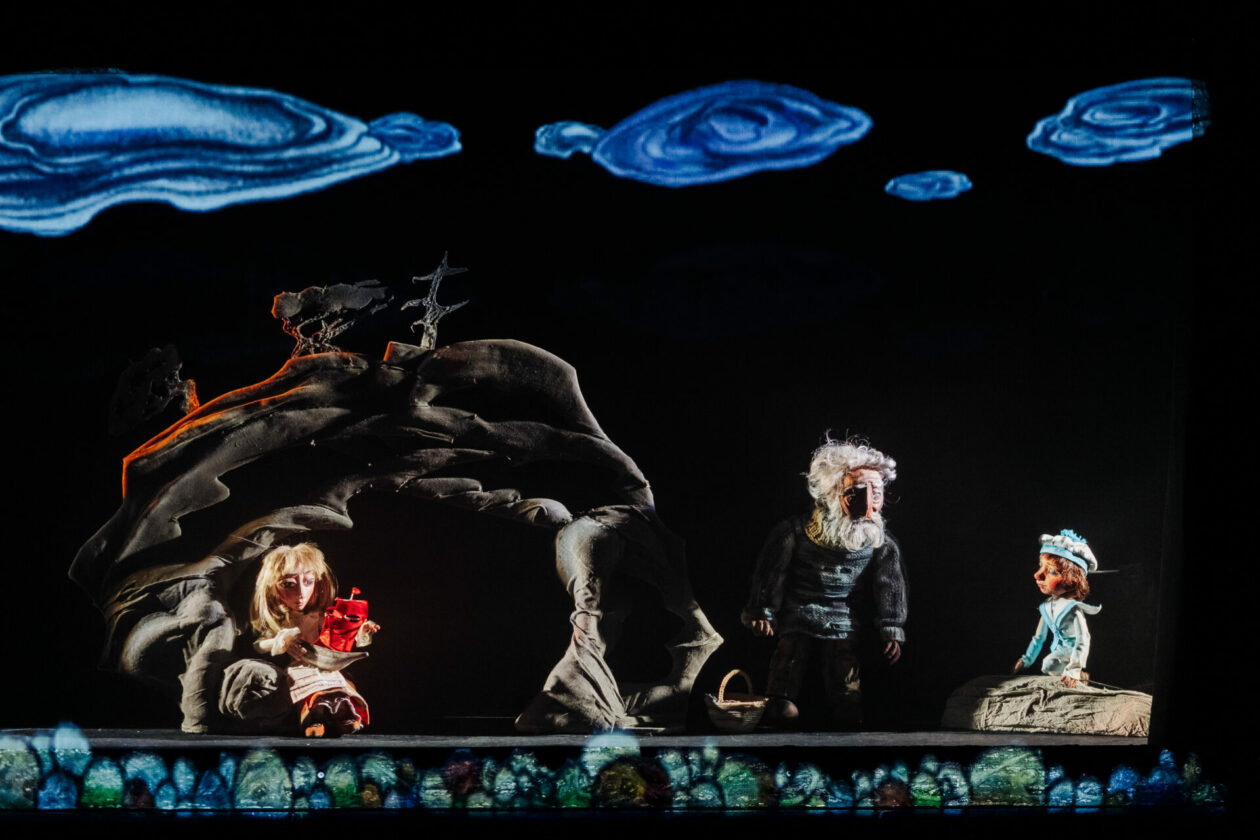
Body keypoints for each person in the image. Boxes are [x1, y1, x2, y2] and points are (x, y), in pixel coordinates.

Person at [741, 437, 907, 728]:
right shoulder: (795, 532)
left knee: (844, 670)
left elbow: (890, 584)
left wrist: (892, 626)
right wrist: (762, 610)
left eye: (876, 494)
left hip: (844, 619)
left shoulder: (881, 543)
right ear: (832, 493)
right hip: (798, 612)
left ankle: (847, 709)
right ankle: (780, 700)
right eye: (855, 493)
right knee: (789, 656)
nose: (868, 506)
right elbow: (772, 572)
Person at [250, 542, 380, 736]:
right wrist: (283, 642)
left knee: (337, 685)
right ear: (272, 587)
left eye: (308, 581)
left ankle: (344, 717)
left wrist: (360, 629)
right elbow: (259, 645)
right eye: (288, 584)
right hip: (298, 666)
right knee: (309, 688)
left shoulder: (320, 616)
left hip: (325, 663)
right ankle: (314, 720)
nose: (301, 593)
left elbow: (339, 634)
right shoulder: (281, 620)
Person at [1012, 529, 1100, 688]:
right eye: (1041, 566)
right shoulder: (1045, 607)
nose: (1038, 575)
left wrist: (1075, 667)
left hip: (1072, 654)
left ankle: (1077, 675)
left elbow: (1084, 639)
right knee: (1048, 666)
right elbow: (1039, 637)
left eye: (1052, 571)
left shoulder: (1073, 609)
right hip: (1057, 653)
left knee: (1048, 664)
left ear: (1072, 581)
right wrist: (1026, 659)